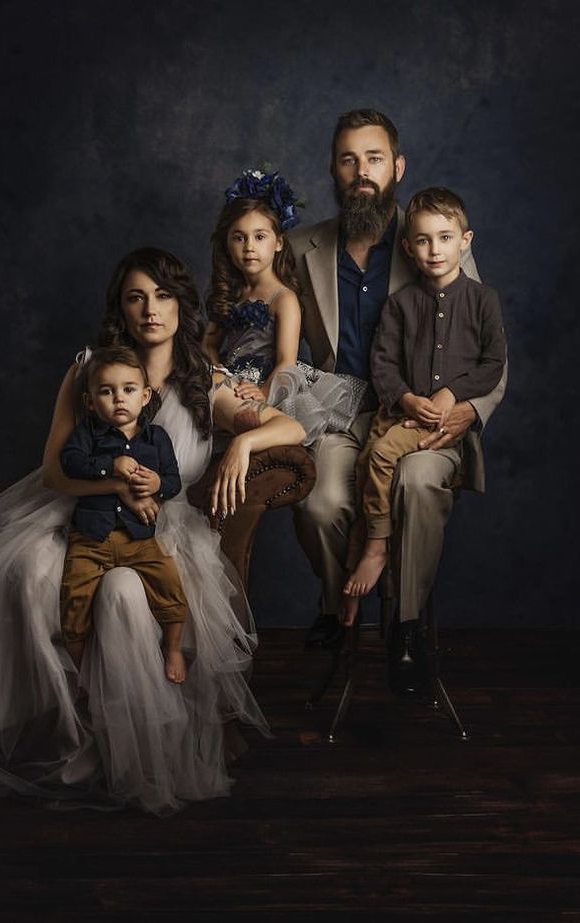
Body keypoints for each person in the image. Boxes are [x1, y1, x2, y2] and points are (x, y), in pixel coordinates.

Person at [0, 247, 305, 822]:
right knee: (29, 572)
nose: (150, 310)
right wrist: (114, 486)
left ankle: (126, 751)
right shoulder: (91, 368)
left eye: (163, 296)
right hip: (77, 511)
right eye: (136, 297)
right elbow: (53, 472)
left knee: (124, 595)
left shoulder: (206, 382)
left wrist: (242, 441)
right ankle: (54, 738)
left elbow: (290, 425)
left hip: (159, 529)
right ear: (120, 306)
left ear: (182, 306)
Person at [287, 109, 506, 685]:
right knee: (319, 504)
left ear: (398, 166)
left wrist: (468, 410)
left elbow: (490, 351)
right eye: (349, 159)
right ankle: (341, 609)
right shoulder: (301, 246)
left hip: (425, 417)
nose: (362, 171)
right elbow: (262, 328)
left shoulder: (432, 234)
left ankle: (404, 628)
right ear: (333, 170)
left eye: (375, 158)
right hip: (338, 415)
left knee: (415, 482)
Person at [341, 187, 507, 627]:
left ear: (465, 240)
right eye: (424, 240)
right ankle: (349, 599)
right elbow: (382, 363)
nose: (435, 249)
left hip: (439, 428)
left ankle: (378, 550)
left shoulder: (483, 300)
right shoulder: (399, 305)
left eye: (445, 237)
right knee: (363, 470)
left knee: (376, 458)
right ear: (408, 247)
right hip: (402, 413)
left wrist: (453, 395)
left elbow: (494, 363)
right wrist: (407, 397)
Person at [203, 168, 366, 445]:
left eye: (259, 237)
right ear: (228, 244)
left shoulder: (284, 299)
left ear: (278, 242)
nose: (249, 247)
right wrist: (219, 372)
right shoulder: (230, 292)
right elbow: (208, 342)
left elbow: (286, 362)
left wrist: (264, 393)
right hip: (230, 385)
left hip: (268, 386)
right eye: (239, 237)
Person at [59, 345, 189, 684]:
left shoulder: (157, 438)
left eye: (128, 390)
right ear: (90, 401)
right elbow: (70, 464)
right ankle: (75, 667)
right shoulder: (87, 433)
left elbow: (173, 482)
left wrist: (159, 483)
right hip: (92, 537)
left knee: (170, 584)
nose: (119, 399)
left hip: (140, 536)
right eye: (106, 391)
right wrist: (109, 467)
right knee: (75, 595)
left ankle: (173, 647)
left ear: (145, 396)